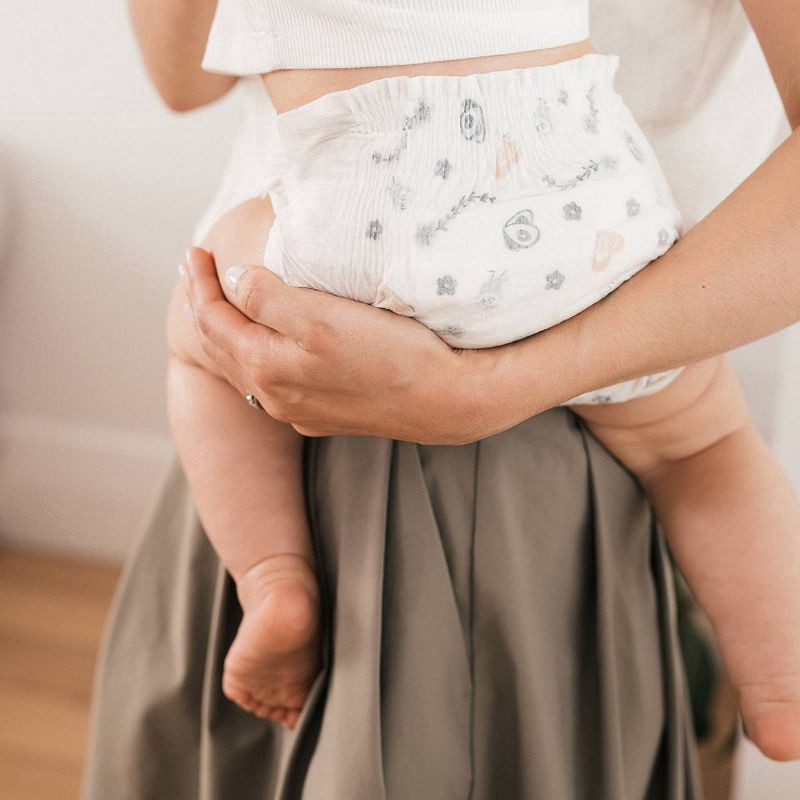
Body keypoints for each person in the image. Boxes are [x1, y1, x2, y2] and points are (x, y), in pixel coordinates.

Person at [83, 2, 800, 798]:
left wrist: (487, 387)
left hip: (347, 246)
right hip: (590, 232)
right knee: (704, 446)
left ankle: (273, 574)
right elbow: (180, 81)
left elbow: (188, 81)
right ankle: (778, 677)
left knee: (199, 328)